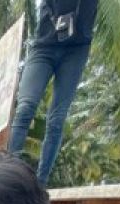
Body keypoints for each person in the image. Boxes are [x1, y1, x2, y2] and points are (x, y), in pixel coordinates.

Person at [7, 0, 99, 185]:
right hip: (43, 46)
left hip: (76, 50)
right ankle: (8, 175)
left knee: (57, 120)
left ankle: (41, 183)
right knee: (25, 108)